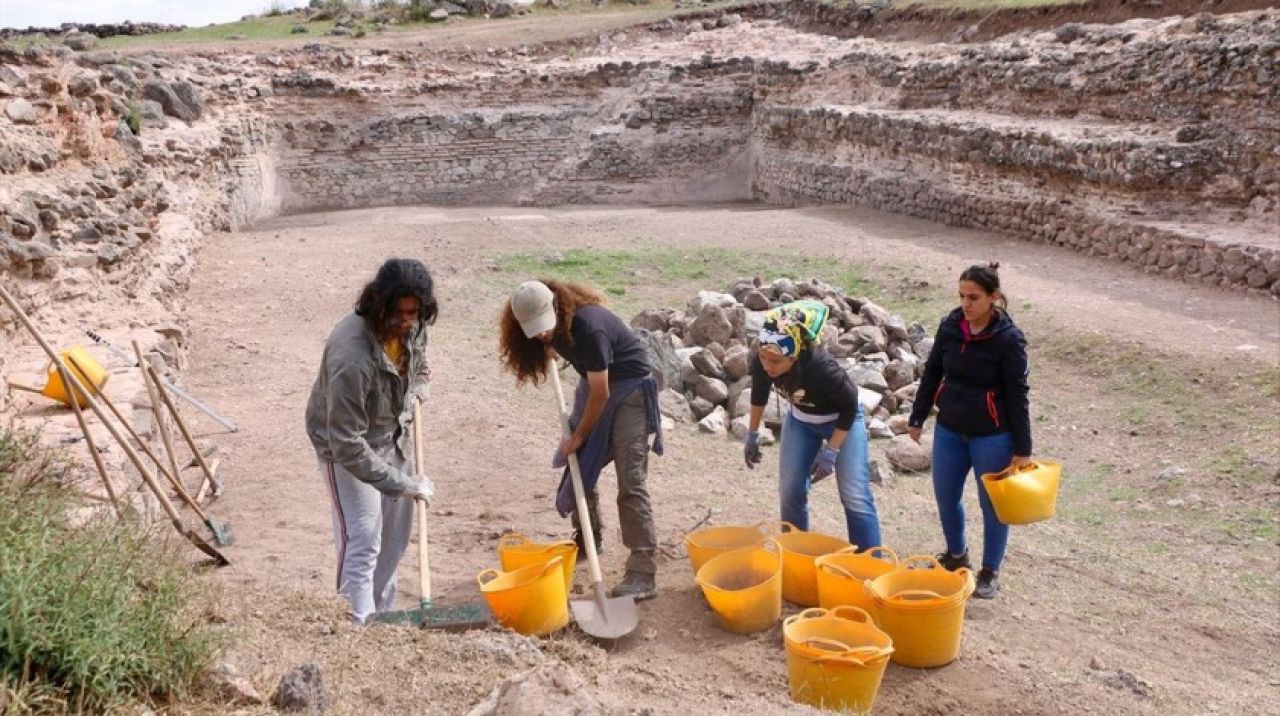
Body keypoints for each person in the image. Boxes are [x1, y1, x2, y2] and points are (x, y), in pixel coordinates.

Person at [499, 279, 663, 601]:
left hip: (629, 390)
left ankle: (643, 573)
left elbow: (601, 394)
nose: (543, 334)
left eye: (545, 326)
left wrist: (578, 435)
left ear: (557, 307)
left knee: (630, 482)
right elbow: (592, 385)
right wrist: (548, 343)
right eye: (535, 330)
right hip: (595, 386)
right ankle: (589, 540)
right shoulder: (554, 330)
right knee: (579, 469)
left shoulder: (590, 328)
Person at [305, 258, 437, 624]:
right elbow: (347, 441)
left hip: (392, 436)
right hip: (344, 447)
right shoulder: (352, 357)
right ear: (379, 304)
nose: (408, 321)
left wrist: (419, 386)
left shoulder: (413, 325)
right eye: (400, 313)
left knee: (393, 541)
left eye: (415, 312)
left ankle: (381, 619)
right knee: (362, 537)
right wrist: (403, 483)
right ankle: (356, 624)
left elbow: (420, 361)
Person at [907, 262, 1031, 600]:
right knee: (946, 496)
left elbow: (1018, 393)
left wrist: (1023, 449)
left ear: (994, 298)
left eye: (974, 297)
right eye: (962, 296)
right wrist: (918, 416)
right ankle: (956, 554)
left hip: (993, 435)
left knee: (992, 506)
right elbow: (933, 371)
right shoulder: (951, 325)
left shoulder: (1009, 339)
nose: (966, 304)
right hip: (950, 430)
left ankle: (990, 571)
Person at [743, 300, 882, 550]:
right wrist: (752, 433)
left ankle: (869, 564)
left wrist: (832, 451)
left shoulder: (822, 369)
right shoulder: (765, 357)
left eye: (775, 361)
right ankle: (796, 553)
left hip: (841, 422)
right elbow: (759, 394)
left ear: (794, 355)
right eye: (763, 358)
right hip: (800, 421)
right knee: (790, 490)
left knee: (855, 494)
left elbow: (850, 407)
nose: (767, 365)